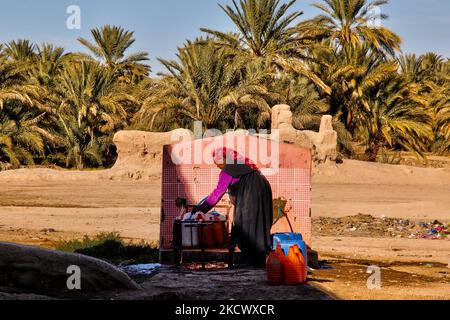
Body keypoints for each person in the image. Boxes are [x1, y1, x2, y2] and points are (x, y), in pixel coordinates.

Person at [191, 147, 273, 267]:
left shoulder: (228, 170)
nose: (217, 166)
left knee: (245, 225)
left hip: (252, 193)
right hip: (263, 189)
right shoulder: (243, 166)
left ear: (224, 159)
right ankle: (259, 259)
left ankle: (251, 260)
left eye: (217, 162)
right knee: (259, 224)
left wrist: (199, 209)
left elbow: (217, 194)